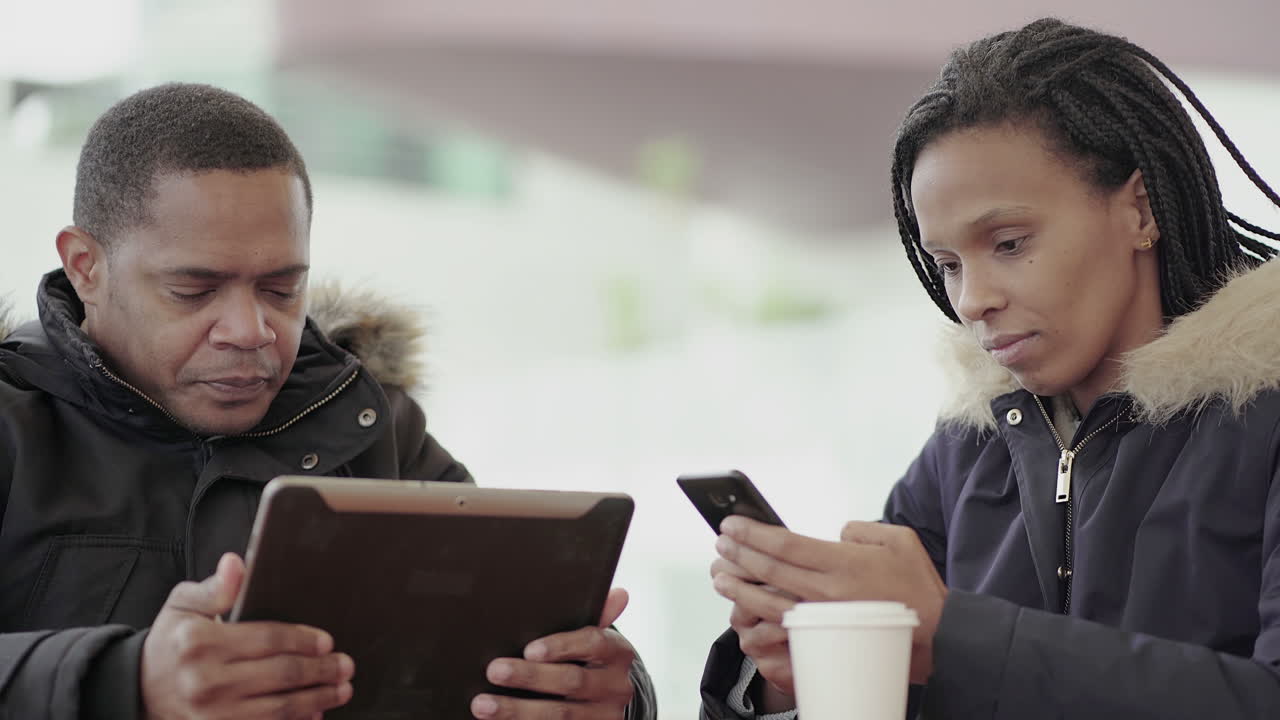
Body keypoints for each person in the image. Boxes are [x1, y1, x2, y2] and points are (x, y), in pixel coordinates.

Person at [0, 83, 656, 720]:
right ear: (86, 266)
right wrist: (127, 683)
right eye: (195, 291)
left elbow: (546, 641)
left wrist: (601, 693)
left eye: (282, 290)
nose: (250, 330)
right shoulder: (12, 426)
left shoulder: (372, 426)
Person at [699, 17, 1280, 720]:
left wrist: (953, 637)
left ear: (1140, 208)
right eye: (947, 264)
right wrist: (791, 682)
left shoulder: (1265, 421)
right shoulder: (964, 452)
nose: (973, 300)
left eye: (1008, 242)